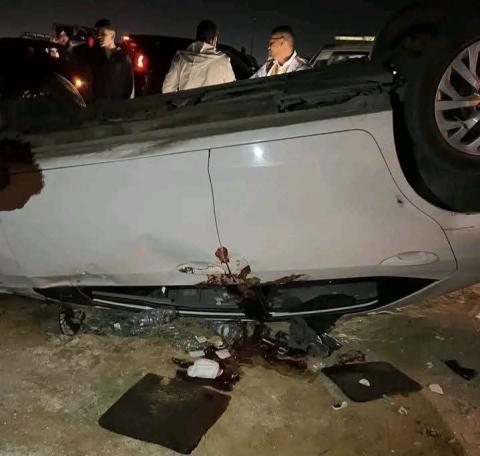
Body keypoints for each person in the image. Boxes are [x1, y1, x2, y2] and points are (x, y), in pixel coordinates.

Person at [162, 20, 235, 93]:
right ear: (214, 40)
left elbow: (167, 89)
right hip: (213, 100)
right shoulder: (223, 62)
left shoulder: (180, 58)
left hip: (187, 100)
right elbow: (232, 90)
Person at [89, 18, 134, 101]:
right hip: (99, 104)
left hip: (116, 105)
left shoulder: (123, 58)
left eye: (103, 34)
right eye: (97, 33)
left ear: (112, 35)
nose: (99, 36)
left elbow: (129, 86)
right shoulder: (95, 56)